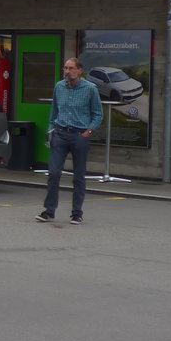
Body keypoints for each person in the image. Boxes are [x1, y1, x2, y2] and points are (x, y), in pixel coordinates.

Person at [36, 57, 103, 224]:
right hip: (60, 133)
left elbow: (98, 114)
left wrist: (88, 132)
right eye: (65, 68)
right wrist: (50, 130)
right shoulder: (59, 86)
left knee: (78, 176)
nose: (67, 71)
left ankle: (76, 213)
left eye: (71, 68)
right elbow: (54, 111)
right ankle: (49, 211)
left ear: (79, 70)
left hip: (79, 135)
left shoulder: (90, 89)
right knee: (53, 173)